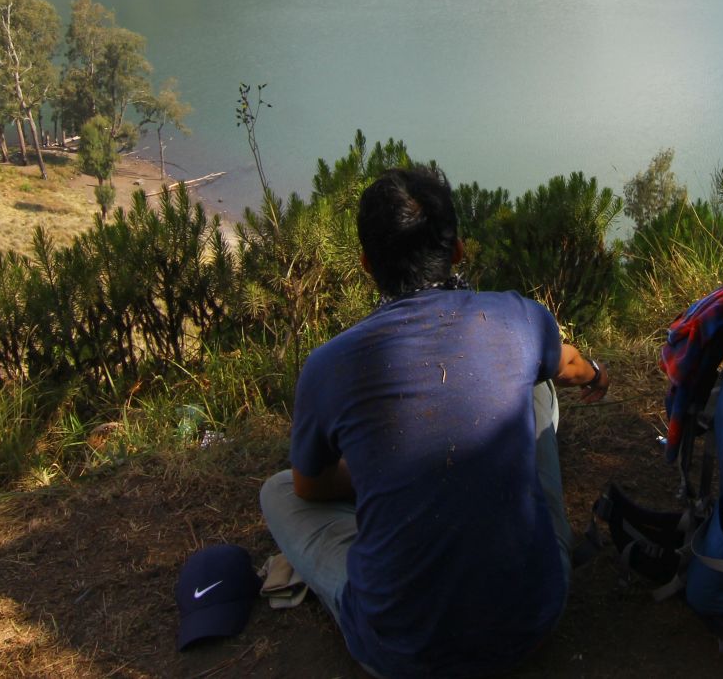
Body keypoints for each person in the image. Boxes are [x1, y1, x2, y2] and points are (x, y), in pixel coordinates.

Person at [259, 166, 609, 678]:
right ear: (458, 251)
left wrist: (382, 471)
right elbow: (572, 365)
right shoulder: (518, 318)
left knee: (278, 491)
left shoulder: (329, 365)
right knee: (539, 383)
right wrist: (596, 373)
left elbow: (310, 488)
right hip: (532, 618)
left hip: (401, 654)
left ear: (366, 264)